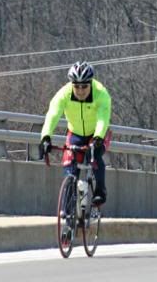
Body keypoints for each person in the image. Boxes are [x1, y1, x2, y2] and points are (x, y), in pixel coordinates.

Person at [39, 62, 112, 206]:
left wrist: (98, 138)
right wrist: (46, 137)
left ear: (90, 83)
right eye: (76, 86)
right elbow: (53, 114)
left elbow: (103, 119)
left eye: (84, 86)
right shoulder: (64, 94)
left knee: (95, 155)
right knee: (70, 167)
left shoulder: (101, 94)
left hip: (97, 133)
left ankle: (100, 190)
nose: (80, 90)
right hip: (76, 133)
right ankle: (68, 212)